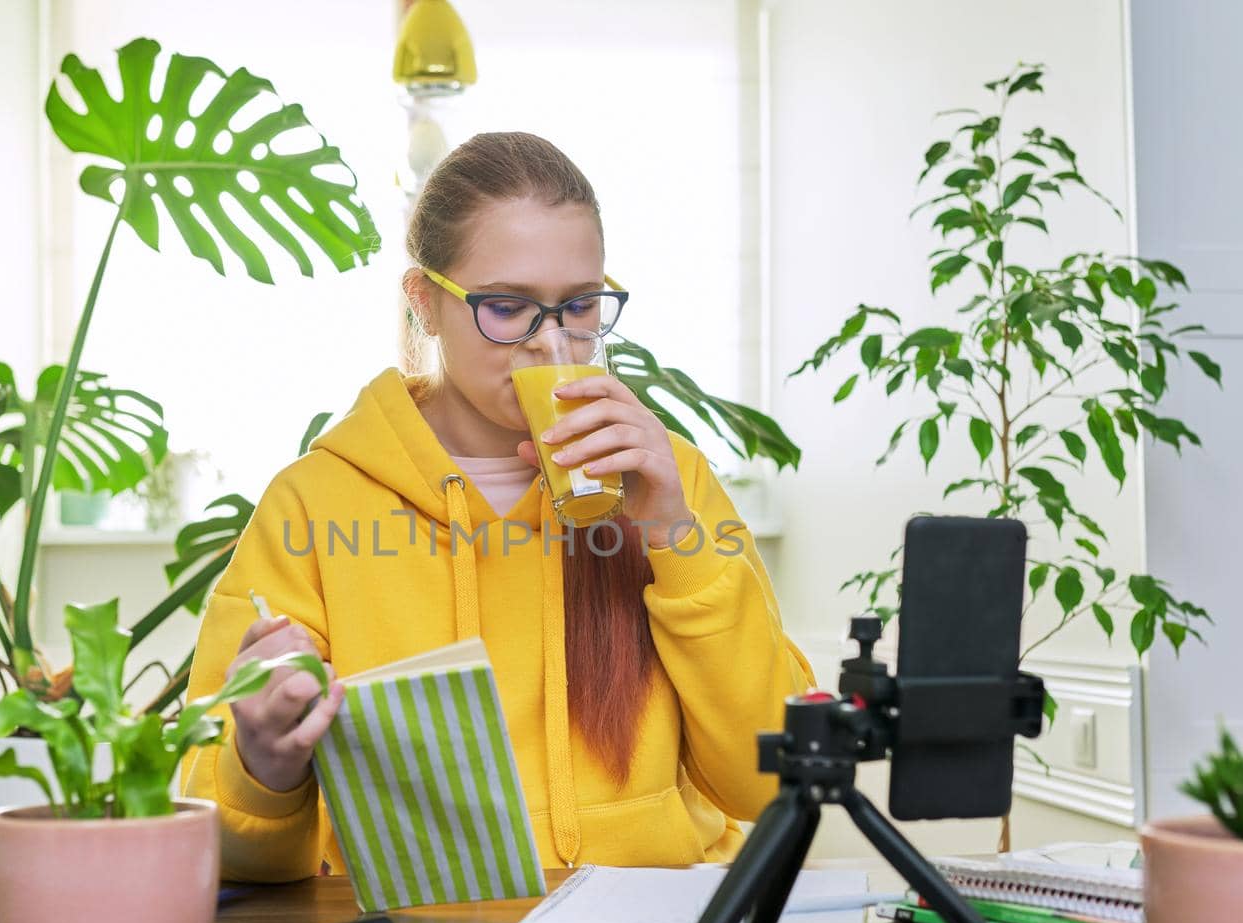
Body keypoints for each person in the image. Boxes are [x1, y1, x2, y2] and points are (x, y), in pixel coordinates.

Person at [182, 131, 814, 881]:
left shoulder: (663, 477)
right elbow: (227, 848)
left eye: (579, 306)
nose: (552, 345)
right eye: (508, 307)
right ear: (424, 302)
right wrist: (264, 762)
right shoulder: (314, 507)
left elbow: (770, 778)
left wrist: (673, 532)